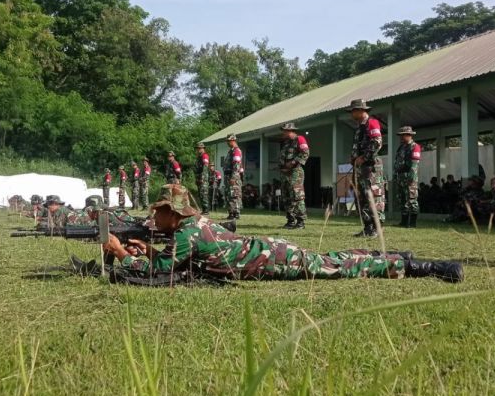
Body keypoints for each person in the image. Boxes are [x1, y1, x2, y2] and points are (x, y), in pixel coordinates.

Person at [102, 185, 463, 283]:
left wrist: (120, 253)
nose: (154, 216)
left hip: (273, 260)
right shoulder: (193, 226)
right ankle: (394, 256)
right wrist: (148, 249)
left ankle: (419, 267)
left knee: (335, 267)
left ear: (173, 212)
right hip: (268, 251)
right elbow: (174, 259)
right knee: (331, 259)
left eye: (159, 210)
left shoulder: (187, 233)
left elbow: (159, 272)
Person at [347, 99, 385, 237]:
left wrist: (363, 158)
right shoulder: (359, 128)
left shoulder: (372, 123)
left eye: (353, 111)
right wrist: (354, 158)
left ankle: (376, 228)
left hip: (370, 167)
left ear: (361, 110)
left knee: (372, 196)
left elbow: (377, 142)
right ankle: (368, 227)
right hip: (360, 168)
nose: (352, 114)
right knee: (361, 197)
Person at [278, 122, 310, 229]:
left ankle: (301, 222)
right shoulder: (286, 143)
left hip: (295, 173)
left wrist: (292, 162)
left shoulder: (299, 139)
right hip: (284, 174)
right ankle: (291, 220)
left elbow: (305, 152)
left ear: (290, 131)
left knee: (297, 197)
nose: (283, 133)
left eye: (284, 131)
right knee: (286, 198)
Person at [393, 126, 421, 228]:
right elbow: (397, 162)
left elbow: (414, 164)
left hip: (409, 176)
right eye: (400, 135)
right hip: (400, 176)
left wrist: (411, 177)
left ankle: (412, 223)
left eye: (403, 135)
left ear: (409, 135)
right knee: (402, 199)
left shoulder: (415, 146)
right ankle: (404, 222)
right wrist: (395, 174)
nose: (401, 137)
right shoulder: (401, 147)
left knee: (412, 199)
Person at [224, 134, 243, 219]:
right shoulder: (230, 151)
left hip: (233, 176)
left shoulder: (236, 151)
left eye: (229, 141)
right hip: (228, 176)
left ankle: (236, 213)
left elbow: (236, 165)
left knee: (234, 194)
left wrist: (233, 177)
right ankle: (231, 212)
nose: (227, 143)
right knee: (230, 195)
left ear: (233, 140)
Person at [194, 142, 211, 215]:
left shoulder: (204, 156)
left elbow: (205, 167)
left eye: (200, 148)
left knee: (204, 194)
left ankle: (206, 210)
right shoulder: (199, 157)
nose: (198, 150)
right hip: (199, 178)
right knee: (200, 194)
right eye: (197, 148)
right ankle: (204, 210)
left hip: (203, 178)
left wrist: (202, 178)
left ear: (203, 148)